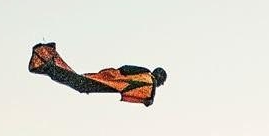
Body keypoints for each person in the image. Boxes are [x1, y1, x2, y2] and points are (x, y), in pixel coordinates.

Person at [28, 42, 167, 107]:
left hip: (111, 82)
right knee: (81, 83)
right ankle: (49, 64)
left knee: (81, 83)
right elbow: (149, 99)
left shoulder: (147, 79)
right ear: (159, 77)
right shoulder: (148, 78)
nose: (160, 84)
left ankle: (50, 66)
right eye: (162, 81)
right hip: (111, 81)